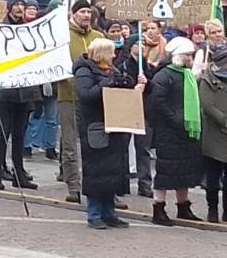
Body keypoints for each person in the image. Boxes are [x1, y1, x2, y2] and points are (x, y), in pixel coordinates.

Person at [74, 39, 143, 229]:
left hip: (114, 124)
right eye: (111, 52)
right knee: (96, 170)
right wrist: (109, 83)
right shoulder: (84, 70)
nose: (114, 56)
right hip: (95, 126)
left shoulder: (112, 70)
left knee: (111, 171)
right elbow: (86, 94)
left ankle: (109, 212)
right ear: (102, 53)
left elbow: (122, 89)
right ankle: (94, 213)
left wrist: (130, 85)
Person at [149, 37, 203, 225]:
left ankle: (183, 206)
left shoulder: (186, 74)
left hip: (186, 130)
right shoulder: (163, 76)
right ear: (179, 56)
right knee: (166, 170)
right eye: (188, 55)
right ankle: (159, 207)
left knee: (185, 170)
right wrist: (175, 120)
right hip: (169, 132)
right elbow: (157, 102)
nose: (191, 58)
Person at [56, 0, 104, 202]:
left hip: (93, 99)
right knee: (69, 144)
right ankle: (73, 186)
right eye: (82, 11)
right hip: (69, 96)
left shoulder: (99, 37)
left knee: (94, 144)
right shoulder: (62, 36)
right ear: (73, 14)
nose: (86, 15)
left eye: (88, 12)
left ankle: (96, 186)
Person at [0, 0, 40, 191]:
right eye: (16, 4)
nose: (20, 8)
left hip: (25, 89)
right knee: (2, 134)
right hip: (4, 90)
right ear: (9, 7)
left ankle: (19, 173)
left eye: (22, 4)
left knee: (20, 134)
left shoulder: (29, 29)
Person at [115, 34, 154, 198]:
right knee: (122, 148)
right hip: (127, 109)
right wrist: (133, 85)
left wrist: (147, 82)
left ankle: (145, 184)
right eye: (138, 43)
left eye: (143, 43)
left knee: (143, 148)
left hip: (144, 109)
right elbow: (119, 86)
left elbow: (153, 87)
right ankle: (122, 183)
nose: (142, 46)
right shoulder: (122, 65)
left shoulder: (146, 65)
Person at [198, 45, 227, 223]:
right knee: (213, 177)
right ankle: (212, 210)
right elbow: (208, 106)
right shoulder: (207, 78)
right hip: (214, 134)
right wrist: (224, 120)